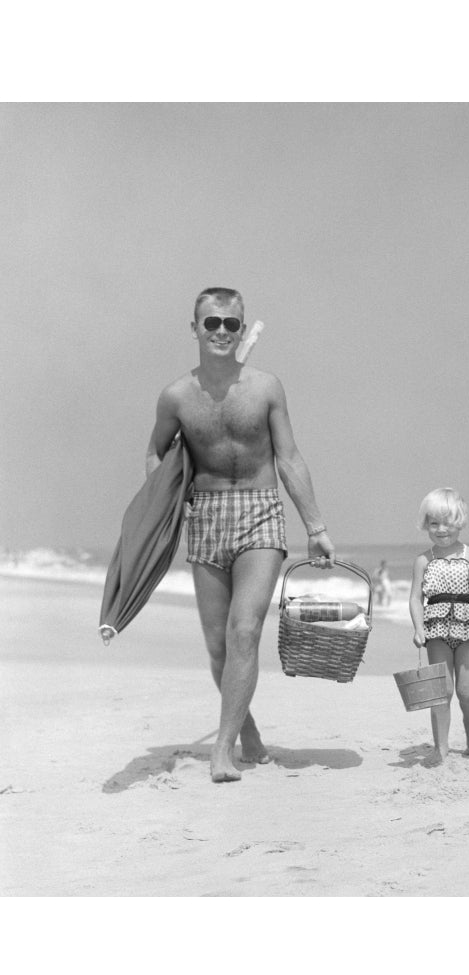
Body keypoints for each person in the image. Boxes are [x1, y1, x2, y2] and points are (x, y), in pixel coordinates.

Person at [146, 287, 335, 783]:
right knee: (217, 646)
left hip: (260, 512)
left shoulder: (267, 387)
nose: (223, 333)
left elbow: (289, 458)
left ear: (241, 326)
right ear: (195, 329)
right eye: (213, 323)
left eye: (232, 324)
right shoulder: (176, 396)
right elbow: (155, 453)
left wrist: (315, 526)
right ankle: (246, 727)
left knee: (244, 631)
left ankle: (221, 750)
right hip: (204, 513)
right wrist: (163, 505)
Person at [409, 488, 469, 765]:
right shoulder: (423, 560)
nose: (441, 529)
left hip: (468, 627)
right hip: (435, 629)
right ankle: (441, 748)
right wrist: (417, 627)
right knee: (442, 691)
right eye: (434, 523)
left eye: (447, 522)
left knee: (466, 692)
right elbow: (415, 598)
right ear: (426, 524)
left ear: (459, 521)